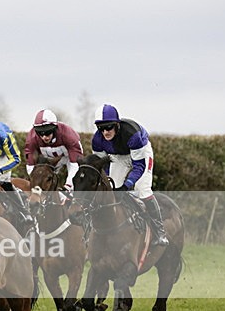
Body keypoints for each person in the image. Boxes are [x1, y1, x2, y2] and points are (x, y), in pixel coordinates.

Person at [91, 103, 169, 247]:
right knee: (112, 191)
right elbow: (103, 166)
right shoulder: (97, 140)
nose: (105, 132)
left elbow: (138, 166)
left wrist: (126, 185)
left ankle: (160, 231)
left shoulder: (132, 134)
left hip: (141, 154)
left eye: (109, 127)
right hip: (118, 157)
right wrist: (109, 182)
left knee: (142, 189)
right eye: (101, 128)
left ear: (117, 125)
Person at [24, 108, 84, 191]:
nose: (44, 137)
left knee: (72, 184)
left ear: (54, 128)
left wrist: (68, 186)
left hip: (69, 158)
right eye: (40, 133)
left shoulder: (68, 135)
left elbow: (75, 164)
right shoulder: (32, 138)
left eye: (47, 132)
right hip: (49, 160)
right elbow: (31, 165)